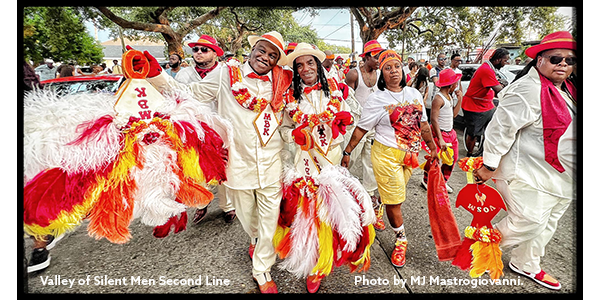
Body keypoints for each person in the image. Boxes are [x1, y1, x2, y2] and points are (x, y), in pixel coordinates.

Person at [136, 31, 292, 293]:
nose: (265, 57)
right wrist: (155, 74)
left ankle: (262, 269)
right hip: (237, 164)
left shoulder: (282, 84)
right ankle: (255, 238)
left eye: (272, 55)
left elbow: (287, 121)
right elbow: (189, 92)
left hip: (271, 162)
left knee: (270, 218)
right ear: (252, 50)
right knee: (248, 218)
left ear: (277, 61)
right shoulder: (226, 74)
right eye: (262, 50)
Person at [473, 31, 576, 290]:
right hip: (527, 173)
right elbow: (501, 129)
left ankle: (526, 263)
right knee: (528, 221)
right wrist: (489, 165)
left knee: (547, 224)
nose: (563, 64)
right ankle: (482, 248)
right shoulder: (527, 89)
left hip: (560, 177)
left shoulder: (569, 89)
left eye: (570, 60)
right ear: (539, 60)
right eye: (555, 58)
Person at [276, 42, 375, 293]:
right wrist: (294, 136)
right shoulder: (289, 97)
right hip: (304, 163)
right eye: (299, 65)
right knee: (307, 216)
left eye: (310, 63)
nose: (305, 68)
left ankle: (324, 262)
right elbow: (283, 129)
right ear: (296, 70)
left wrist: (343, 123)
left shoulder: (336, 90)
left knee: (331, 214)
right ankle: (312, 264)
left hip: (330, 162)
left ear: (318, 65)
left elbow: (352, 114)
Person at [342, 49, 438, 268]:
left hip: (410, 156)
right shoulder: (377, 99)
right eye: (388, 68)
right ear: (382, 72)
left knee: (394, 194)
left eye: (396, 66)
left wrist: (432, 147)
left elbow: (422, 124)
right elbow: (361, 129)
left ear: (402, 69)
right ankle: (401, 239)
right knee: (396, 201)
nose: (393, 71)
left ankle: (378, 206)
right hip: (386, 156)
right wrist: (347, 152)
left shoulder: (413, 94)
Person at [170, 35, 235, 225]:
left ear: (215, 53)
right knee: (196, 169)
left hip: (221, 128)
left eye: (204, 49)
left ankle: (228, 206)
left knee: (224, 167)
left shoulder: (226, 72)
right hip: (193, 129)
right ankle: (201, 203)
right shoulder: (183, 75)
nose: (198, 53)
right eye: (196, 49)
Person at [344, 40, 385, 230]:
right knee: (347, 161)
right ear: (366, 56)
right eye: (376, 56)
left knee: (371, 165)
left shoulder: (381, 74)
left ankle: (370, 205)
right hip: (356, 126)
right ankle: (343, 199)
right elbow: (344, 99)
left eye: (380, 56)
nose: (379, 60)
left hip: (375, 127)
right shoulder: (354, 74)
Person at [461, 47, 510, 157]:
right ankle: (469, 155)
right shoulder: (486, 70)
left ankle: (483, 151)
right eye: (505, 60)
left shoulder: (490, 69)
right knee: (473, 133)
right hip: (474, 106)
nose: (505, 63)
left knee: (491, 130)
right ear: (498, 59)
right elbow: (499, 90)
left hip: (487, 105)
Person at [421, 68, 463, 193]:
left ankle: (443, 181)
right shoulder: (438, 99)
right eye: (455, 82)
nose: (457, 85)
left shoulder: (449, 96)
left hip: (451, 133)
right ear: (451, 84)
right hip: (441, 133)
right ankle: (426, 179)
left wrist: (460, 99)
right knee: (435, 159)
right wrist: (440, 139)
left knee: (452, 158)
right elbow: (434, 119)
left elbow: (454, 115)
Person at [427, 53, 448, 120]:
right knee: (435, 116)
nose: (443, 61)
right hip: (437, 95)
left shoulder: (447, 69)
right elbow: (436, 82)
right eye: (441, 59)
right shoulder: (434, 70)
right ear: (437, 60)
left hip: (447, 95)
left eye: (445, 59)